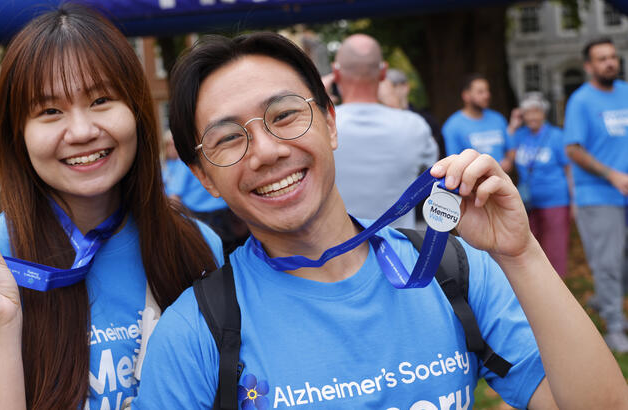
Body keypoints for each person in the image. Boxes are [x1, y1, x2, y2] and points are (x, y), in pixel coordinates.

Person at [131, 32, 628, 408]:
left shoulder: (453, 271)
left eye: (284, 115)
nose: (266, 151)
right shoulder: (194, 337)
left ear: (330, 121)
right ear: (204, 177)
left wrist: (522, 255)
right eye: (227, 139)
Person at [0, 4, 222, 410]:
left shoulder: (197, 245)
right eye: (50, 111)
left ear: (137, 112)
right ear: (19, 134)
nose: (83, 132)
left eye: (102, 99)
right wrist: (5, 325)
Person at [332, 34, 437, 228]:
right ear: (383, 73)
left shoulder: (320, 126)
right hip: (401, 252)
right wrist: (396, 107)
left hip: (337, 252)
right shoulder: (414, 125)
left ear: (335, 73)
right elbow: (433, 170)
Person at [563, 37, 628, 353]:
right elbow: (573, 148)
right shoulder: (581, 101)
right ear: (589, 66)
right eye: (602, 59)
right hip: (599, 194)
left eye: (613, 57)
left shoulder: (626, 93)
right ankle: (615, 329)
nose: (610, 63)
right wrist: (612, 174)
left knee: (623, 263)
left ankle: (604, 301)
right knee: (608, 263)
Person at [510, 93, 573, 277]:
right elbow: (506, 152)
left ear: (544, 113)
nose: (532, 117)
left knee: (555, 248)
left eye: (536, 112)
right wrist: (513, 124)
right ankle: (534, 286)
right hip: (527, 202)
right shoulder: (520, 135)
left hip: (555, 200)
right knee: (529, 247)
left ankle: (557, 289)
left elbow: (569, 170)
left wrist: (573, 200)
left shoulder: (556, 136)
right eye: (527, 113)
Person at [164, 132, 248, 253]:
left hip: (221, 214)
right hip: (205, 216)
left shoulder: (185, 162)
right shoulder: (209, 158)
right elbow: (174, 195)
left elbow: (174, 195)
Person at [442, 74, 515, 173]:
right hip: (472, 185)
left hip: (501, 181)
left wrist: (508, 161)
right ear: (466, 96)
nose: (487, 95)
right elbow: (452, 162)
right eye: (480, 92)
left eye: (487, 91)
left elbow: (511, 148)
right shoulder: (452, 126)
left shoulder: (498, 119)